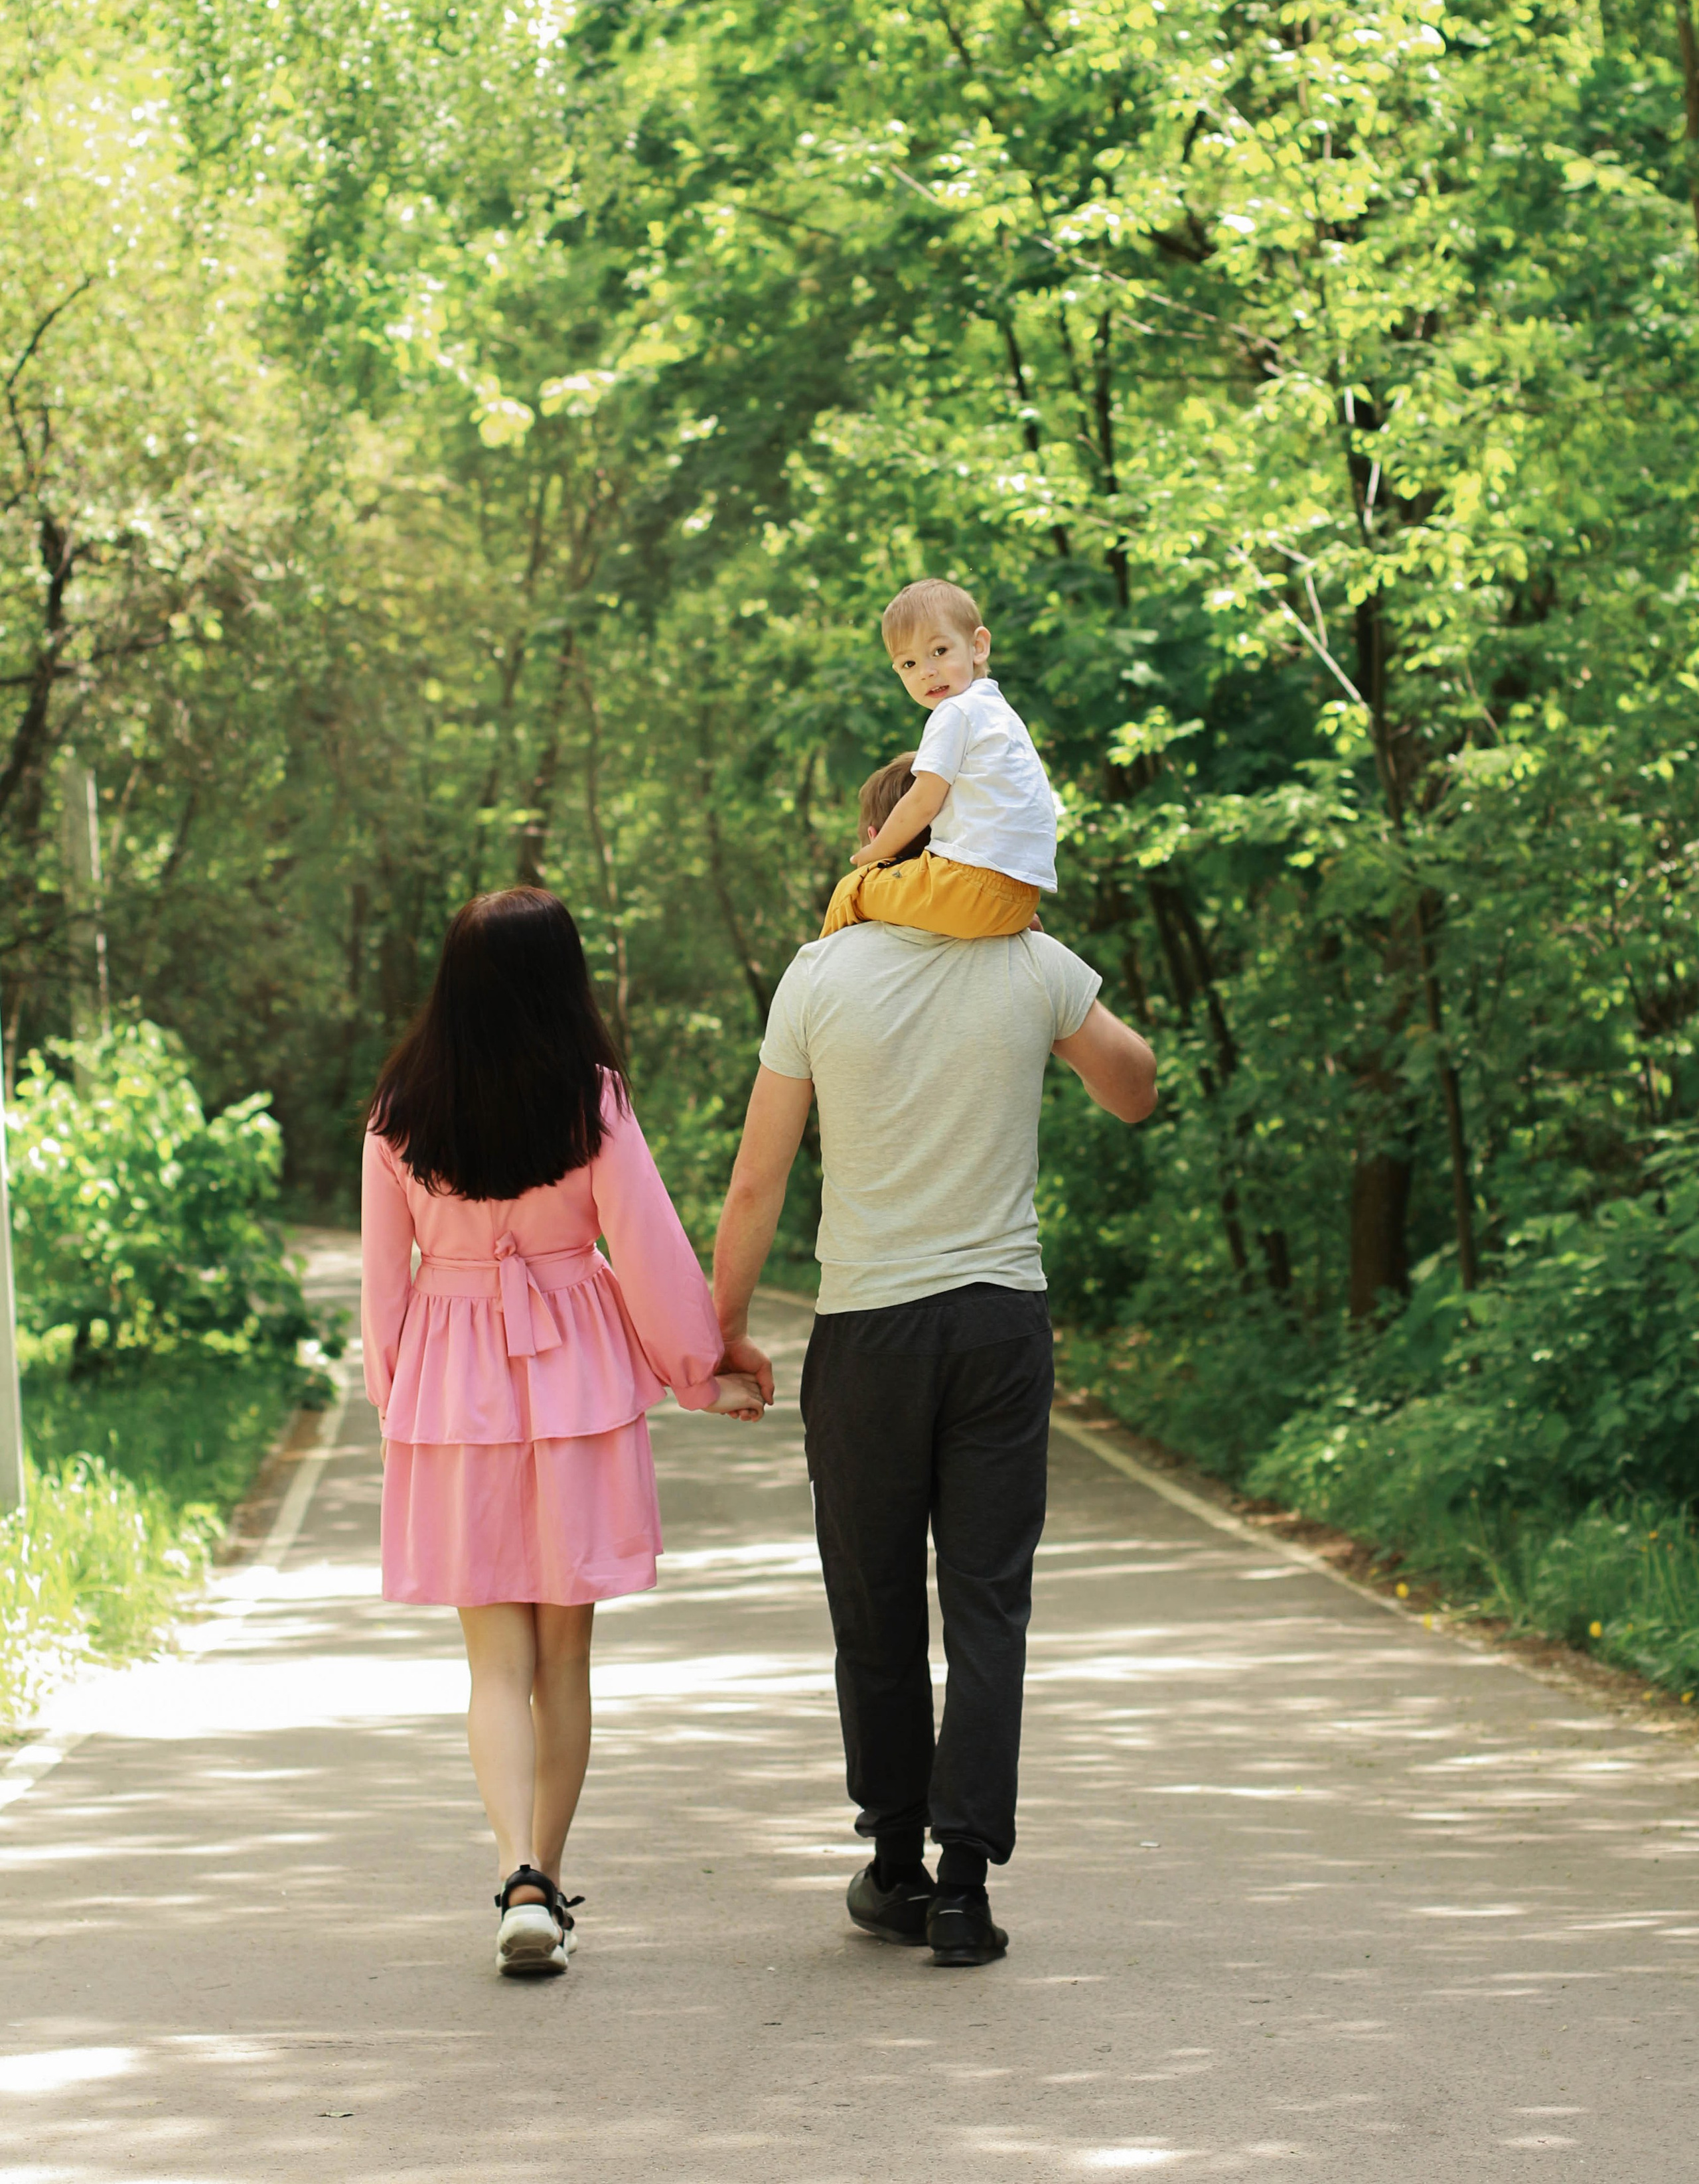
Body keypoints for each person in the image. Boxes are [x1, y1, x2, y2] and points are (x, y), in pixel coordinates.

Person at [714, 755, 1156, 1968]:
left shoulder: (824, 972)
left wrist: (725, 1328)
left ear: (875, 838)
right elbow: (1135, 1089)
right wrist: (1053, 989)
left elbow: (760, 1177)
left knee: (874, 1605)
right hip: (1000, 1326)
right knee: (987, 1605)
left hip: (868, 1334)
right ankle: (965, 1887)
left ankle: (894, 1861)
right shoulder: (1032, 962)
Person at [360, 887, 772, 1977]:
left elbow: (381, 1288)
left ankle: (515, 1875)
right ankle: (545, 1873)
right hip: (575, 1377)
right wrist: (702, 1370)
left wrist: (401, 1403)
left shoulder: (400, 1106)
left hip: (453, 1385)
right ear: (561, 979)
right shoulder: (590, 1098)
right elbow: (645, 1245)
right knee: (565, 1653)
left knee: (492, 1661)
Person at [820, 576, 1057, 942]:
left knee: (852, 890)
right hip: (1021, 896)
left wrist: (874, 852)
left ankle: (826, 974)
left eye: (939, 652)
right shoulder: (1000, 714)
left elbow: (922, 802)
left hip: (969, 885)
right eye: (909, 664)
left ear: (978, 646)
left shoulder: (955, 712)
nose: (927, 671)